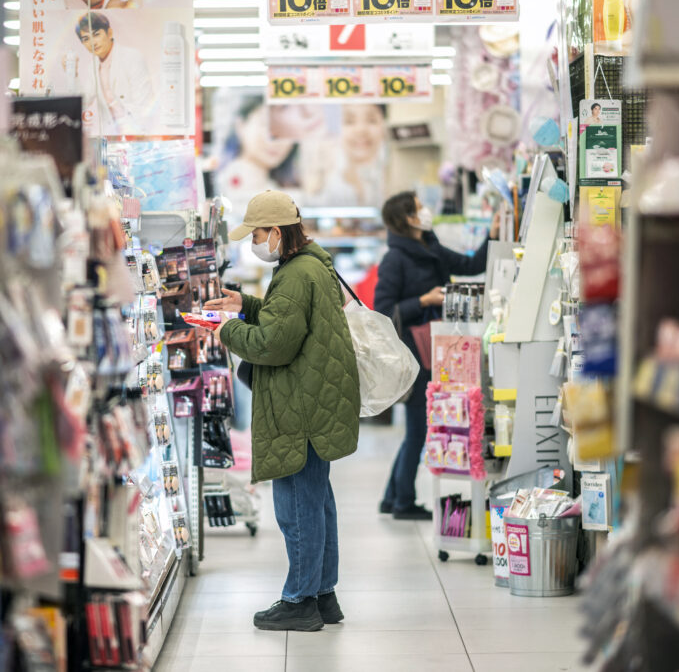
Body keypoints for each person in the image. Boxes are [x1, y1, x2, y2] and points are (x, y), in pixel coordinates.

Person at [204, 190, 360, 631]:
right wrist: (244, 304)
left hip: (300, 403)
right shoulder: (311, 264)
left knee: (297, 505)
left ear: (277, 232)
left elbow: (273, 343)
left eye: (256, 233)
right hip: (316, 397)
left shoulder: (295, 275)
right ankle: (322, 593)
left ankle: (300, 601)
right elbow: (288, 319)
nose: (254, 241)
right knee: (316, 498)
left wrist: (228, 329)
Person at [374, 191, 499, 520]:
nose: (424, 211)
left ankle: (392, 497)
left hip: (436, 349)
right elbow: (383, 311)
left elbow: (471, 265)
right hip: (414, 354)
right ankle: (403, 503)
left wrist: (494, 234)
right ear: (406, 218)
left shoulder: (431, 246)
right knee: (418, 428)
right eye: (418, 207)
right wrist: (424, 301)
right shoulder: (395, 259)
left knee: (418, 427)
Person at [73, 12, 153, 136]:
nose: (92, 43)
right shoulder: (92, 67)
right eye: (86, 39)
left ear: (109, 33)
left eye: (96, 34)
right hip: (110, 137)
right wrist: (73, 73)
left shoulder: (132, 57)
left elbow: (145, 106)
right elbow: (82, 101)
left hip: (137, 134)